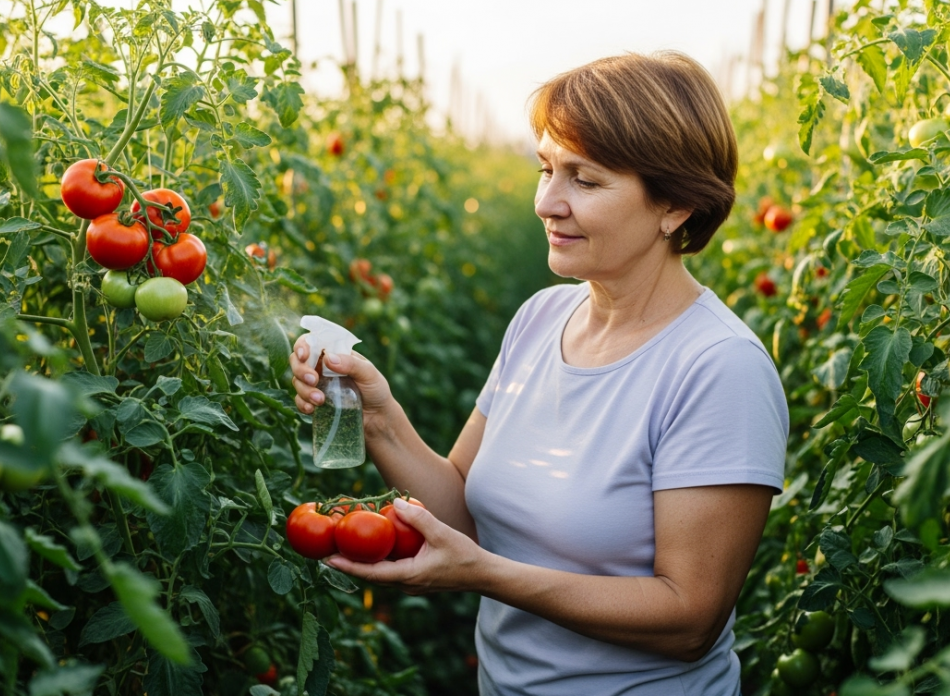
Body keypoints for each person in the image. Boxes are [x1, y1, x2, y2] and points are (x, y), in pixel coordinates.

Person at [290, 51, 788, 696]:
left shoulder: (718, 369)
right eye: (547, 170)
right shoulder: (540, 318)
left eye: (585, 180)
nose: (548, 202)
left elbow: (689, 618)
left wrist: (485, 575)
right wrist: (381, 419)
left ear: (676, 206)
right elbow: (464, 510)